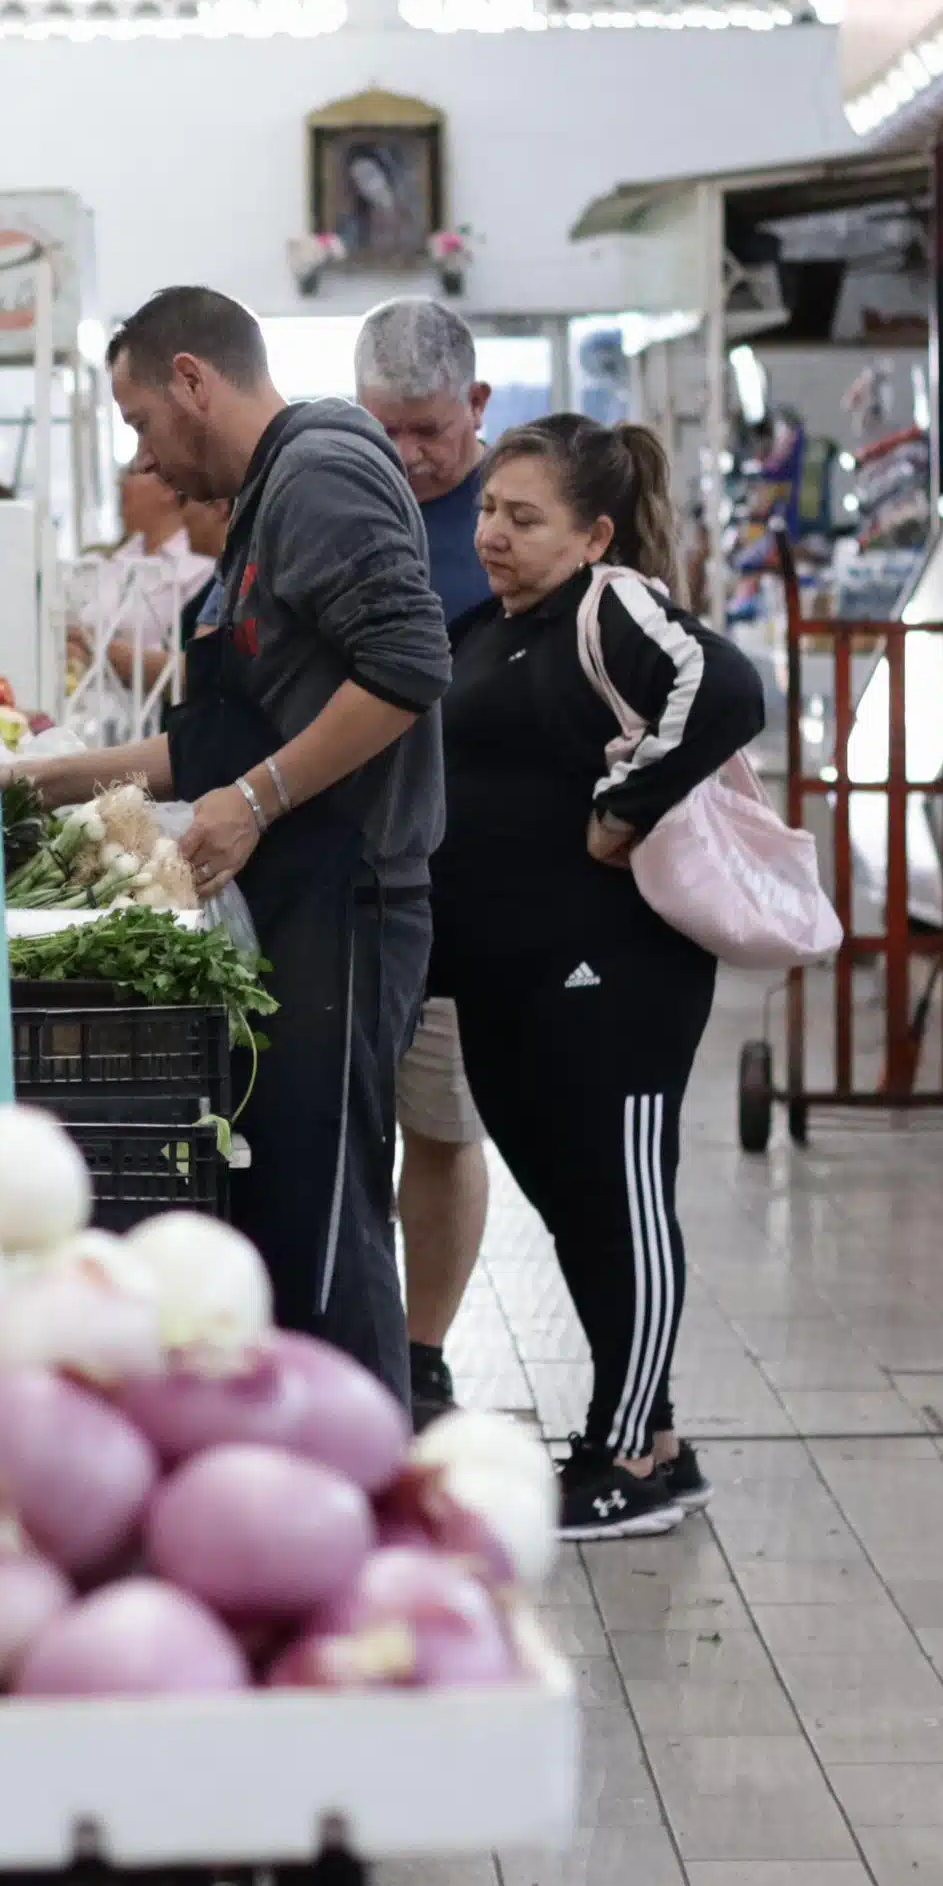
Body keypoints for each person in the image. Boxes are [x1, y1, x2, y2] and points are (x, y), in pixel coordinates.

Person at [12, 285, 448, 1394]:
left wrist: (254, 800)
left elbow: (407, 663)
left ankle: (369, 1486)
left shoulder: (321, 471)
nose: (144, 457)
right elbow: (217, 736)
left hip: (346, 895)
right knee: (290, 1200)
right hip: (296, 899)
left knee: (329, 1215)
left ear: (192, 379)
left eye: (140, 419)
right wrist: (44, 778)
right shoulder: (266, 503)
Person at [433, 415, 765, 1540]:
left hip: (612, 974)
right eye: (487, 509)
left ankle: (624, 1445)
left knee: (621, 1204)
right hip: (508, 978)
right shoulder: (492, 626)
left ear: (592, 535)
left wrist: (624, 811)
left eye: (522, 518)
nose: (491, 533)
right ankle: (656, 1439)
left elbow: (723, 685)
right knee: (577, 1211)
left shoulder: (606, 603)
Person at [355, 299, 496, 1425]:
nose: (405, 454)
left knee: (440, 1120)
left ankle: (424, 1344)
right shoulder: (344, 496)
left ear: (477, 408)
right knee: (350, 1109)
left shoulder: (521, 515)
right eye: (382, 426)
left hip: (476, 874)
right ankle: (354, 1325)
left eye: (428, 430)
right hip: (351, 864)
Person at [63, 454, 226, 745]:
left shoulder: (201, 568)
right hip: (97, 719)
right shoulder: (109, 561)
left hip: (155, 724)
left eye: (133, 472)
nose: (120, 482)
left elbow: (198, 668)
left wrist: (94, 647)